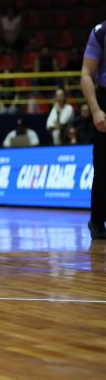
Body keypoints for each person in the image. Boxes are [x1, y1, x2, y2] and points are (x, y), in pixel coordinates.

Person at [81, 21, 106, 240]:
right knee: (103, 166)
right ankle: (97, 221)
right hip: (105, 98)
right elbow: (86, 73)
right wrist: (96, 110)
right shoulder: (100, 33)